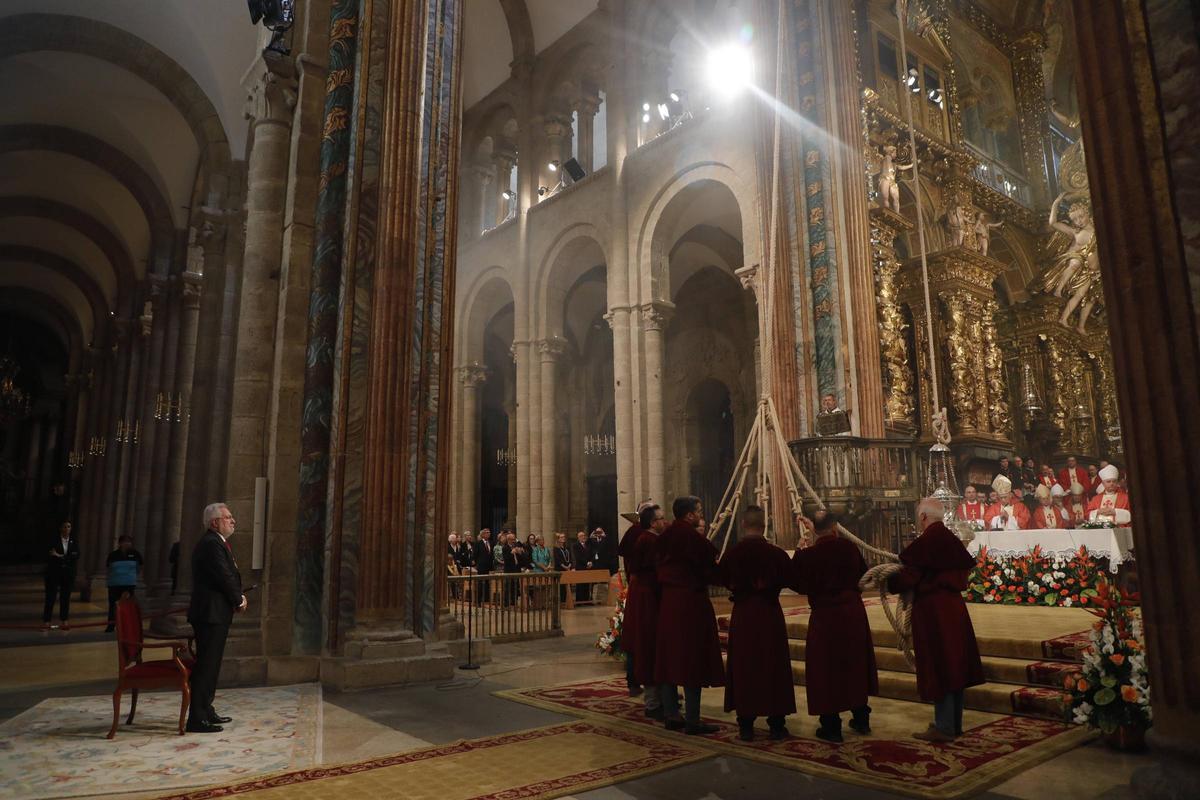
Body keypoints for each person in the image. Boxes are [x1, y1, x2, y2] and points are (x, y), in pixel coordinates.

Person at [888, 497, 985, 742]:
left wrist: (890, 581)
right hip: (954, 609)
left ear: (923, 517)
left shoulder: (928, 542)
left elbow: (910, 576)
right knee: (955, 666)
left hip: (934, 612)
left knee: (940, 665)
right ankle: (953, 724)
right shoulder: (951, 540)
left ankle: (943, 727)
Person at [792, 510, 877, 743]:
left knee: (825, 670)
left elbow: (797, 583)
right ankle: (861, 718)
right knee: (854, 664)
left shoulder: (808, 555)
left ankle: (831, 726)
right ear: (836, 528)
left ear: (815, 531)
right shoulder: (849, 548)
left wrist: (800, 550)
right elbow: (863, 577)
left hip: (825, 617)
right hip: (852, 614)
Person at [719, 505, 799, 741]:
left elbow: (720, 577)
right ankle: (776, 725)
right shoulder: (776, 554)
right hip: (769, 614)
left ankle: (745, 724)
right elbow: (793, 578)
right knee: (773, 665)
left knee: (745, 666)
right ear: (765, 525)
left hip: (743, 614)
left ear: (743, 524)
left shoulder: (732, 554)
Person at [654, 495, 723, 735]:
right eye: (699, 511)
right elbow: (712, 572)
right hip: (690, 604)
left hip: (667, 603)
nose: (701, 515)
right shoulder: (692, 538)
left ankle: (672, 714)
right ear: (689, 515)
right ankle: (693, 720)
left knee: (669, 658)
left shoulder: (664, 537)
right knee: (692, 659)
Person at [187, 503, 246, 733]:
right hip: (210, 614)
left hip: (215, 613)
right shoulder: (212, 544)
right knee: (206, 665)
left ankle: (205, 708)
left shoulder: (216, 543)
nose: (232, 521)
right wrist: (238, 599)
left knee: (212, 665)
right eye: (228, 517)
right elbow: (223, 576)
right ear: (214, 522)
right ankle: (196, 718)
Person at [622, 503, 667, 715]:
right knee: (648, 645)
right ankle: (653, 702)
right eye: (661, 519)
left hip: (644, 596)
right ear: (652, 521)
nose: (664, 522)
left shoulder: (645, 538)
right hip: (648, 599)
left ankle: (658, 698)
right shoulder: (648, 541)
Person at [43, 520, 79, 630]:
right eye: (65, 527)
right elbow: (50, 555)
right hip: (54, 573)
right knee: (50, 597)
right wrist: (62, 557)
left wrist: (60, 556)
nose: (67, 529)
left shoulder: (74, 541)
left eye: (69, 527)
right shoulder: (53, 541)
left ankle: (64, 620)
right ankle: (47, 621)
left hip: (67, 573)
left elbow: (76, 555)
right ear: (60, 528)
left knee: (65, 597)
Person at [104, 535, 143, 632]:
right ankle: (111, 625)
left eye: (129, 541)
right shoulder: (113, 555)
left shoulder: (135, 554)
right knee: (113, 605)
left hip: (128, 584)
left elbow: (139, 567)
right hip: (114, 584)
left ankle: (127, 626)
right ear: (120, 543)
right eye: (125, 541)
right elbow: (108, 568)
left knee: (128, 605)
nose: (127, 543)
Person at [571, 530, 593, 602]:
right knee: (580, 585)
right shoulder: (575, 545)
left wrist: (590, 562)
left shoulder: (587, 545)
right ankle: (579, 601)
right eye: (581, 536)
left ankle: (586, 600)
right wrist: (586, 563)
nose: (583, 537)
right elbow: (578, 557)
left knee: (586, 584)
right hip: (580, 567)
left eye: (584, 535)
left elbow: (590, 555)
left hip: (587, 568)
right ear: (578, 537)